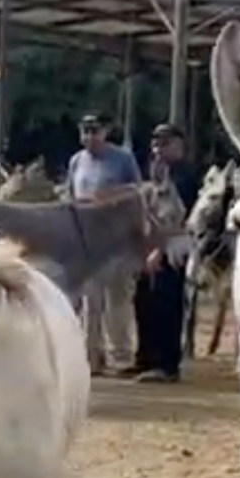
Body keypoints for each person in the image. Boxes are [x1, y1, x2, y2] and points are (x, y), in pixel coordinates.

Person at [65, 113, 142, 377]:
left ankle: (120, 357)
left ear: (106, 131)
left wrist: (112, 197)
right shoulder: (76, 161)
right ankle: (90, 358)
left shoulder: (122, 159)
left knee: (116, 301)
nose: (89, 136)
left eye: (94, 131)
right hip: (86, 241)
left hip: (116, 241)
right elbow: (70, 197)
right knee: (90, 302)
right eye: (84, 131)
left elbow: (138, 191)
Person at [134, 123, 200, 383]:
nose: (158, 149)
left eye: (164, 143)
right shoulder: (156, 172)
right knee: (144, 301)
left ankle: (166, 364)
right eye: (156, 143)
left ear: (178, 146)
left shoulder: (184, 177)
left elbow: (175, 217)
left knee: (166, 303)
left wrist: (159, 250)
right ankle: (146, 357)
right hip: (150, 243)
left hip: (174, 245)